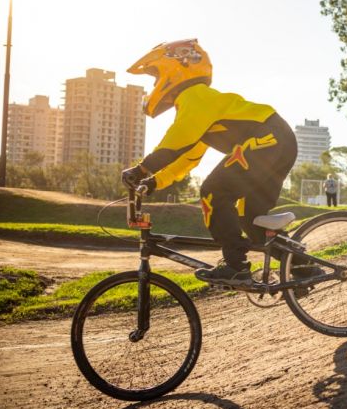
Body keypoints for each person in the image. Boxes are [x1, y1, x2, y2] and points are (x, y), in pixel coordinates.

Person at [121, 39, 305, 288]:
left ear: (174, 68)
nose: (154, 85)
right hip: (278, 142)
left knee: (213, 192)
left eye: (155, 77)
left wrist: (142, 169)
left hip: (267, 140)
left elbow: (177, 141)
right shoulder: (200, 106)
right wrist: (155, 180)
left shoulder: (195, 96)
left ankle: (235, 267)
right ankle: (304, 269)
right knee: (251, 219)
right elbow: (189, 156)